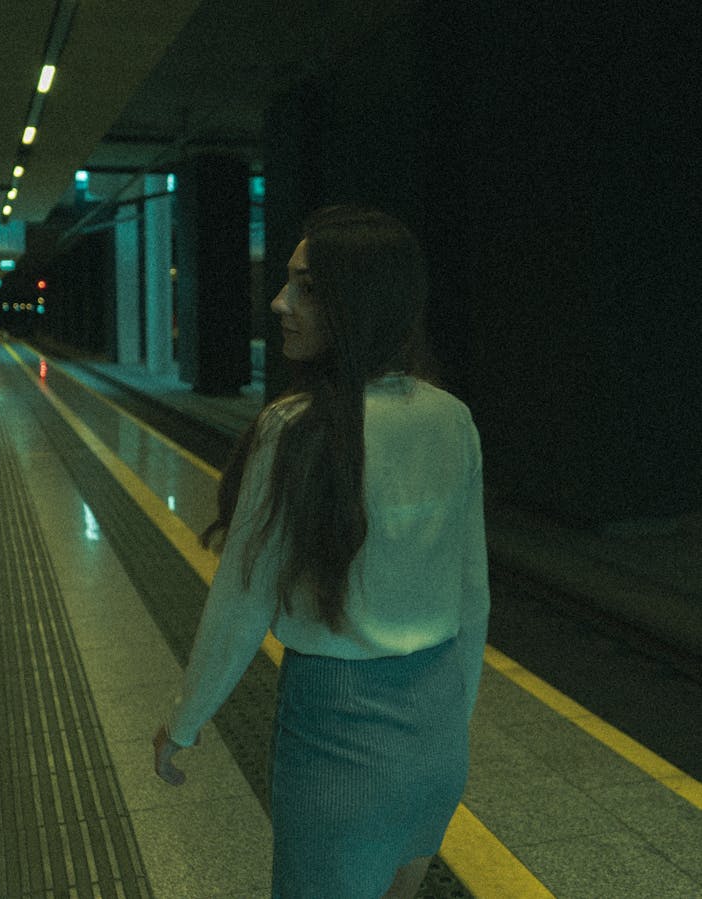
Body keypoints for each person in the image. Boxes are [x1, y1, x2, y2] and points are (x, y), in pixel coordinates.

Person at [153, 206, 490, 898]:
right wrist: (451, 726)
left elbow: (244, 597)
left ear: (354, 302)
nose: (280, 302)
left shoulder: (294, 428)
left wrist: (185, 720)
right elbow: (473, 594)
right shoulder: (453, 419)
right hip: (435, 736)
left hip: (338, 742)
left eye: (305, 286)